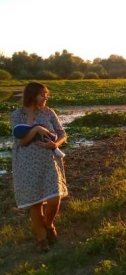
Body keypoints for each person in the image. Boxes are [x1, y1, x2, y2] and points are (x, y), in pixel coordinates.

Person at [10, 82, 68, 253]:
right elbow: (22, 140)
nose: (45, 97)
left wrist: (55, 144)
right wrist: (36, 129)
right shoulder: (17, 114)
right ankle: (41, 238)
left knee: (54, 199)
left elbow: (62, 133)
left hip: (48, 160)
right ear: (32, 95)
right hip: (26, 163)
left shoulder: (49, 112)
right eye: (42, 94)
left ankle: (48, 224)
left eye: (46, 94)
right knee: (35, 203)